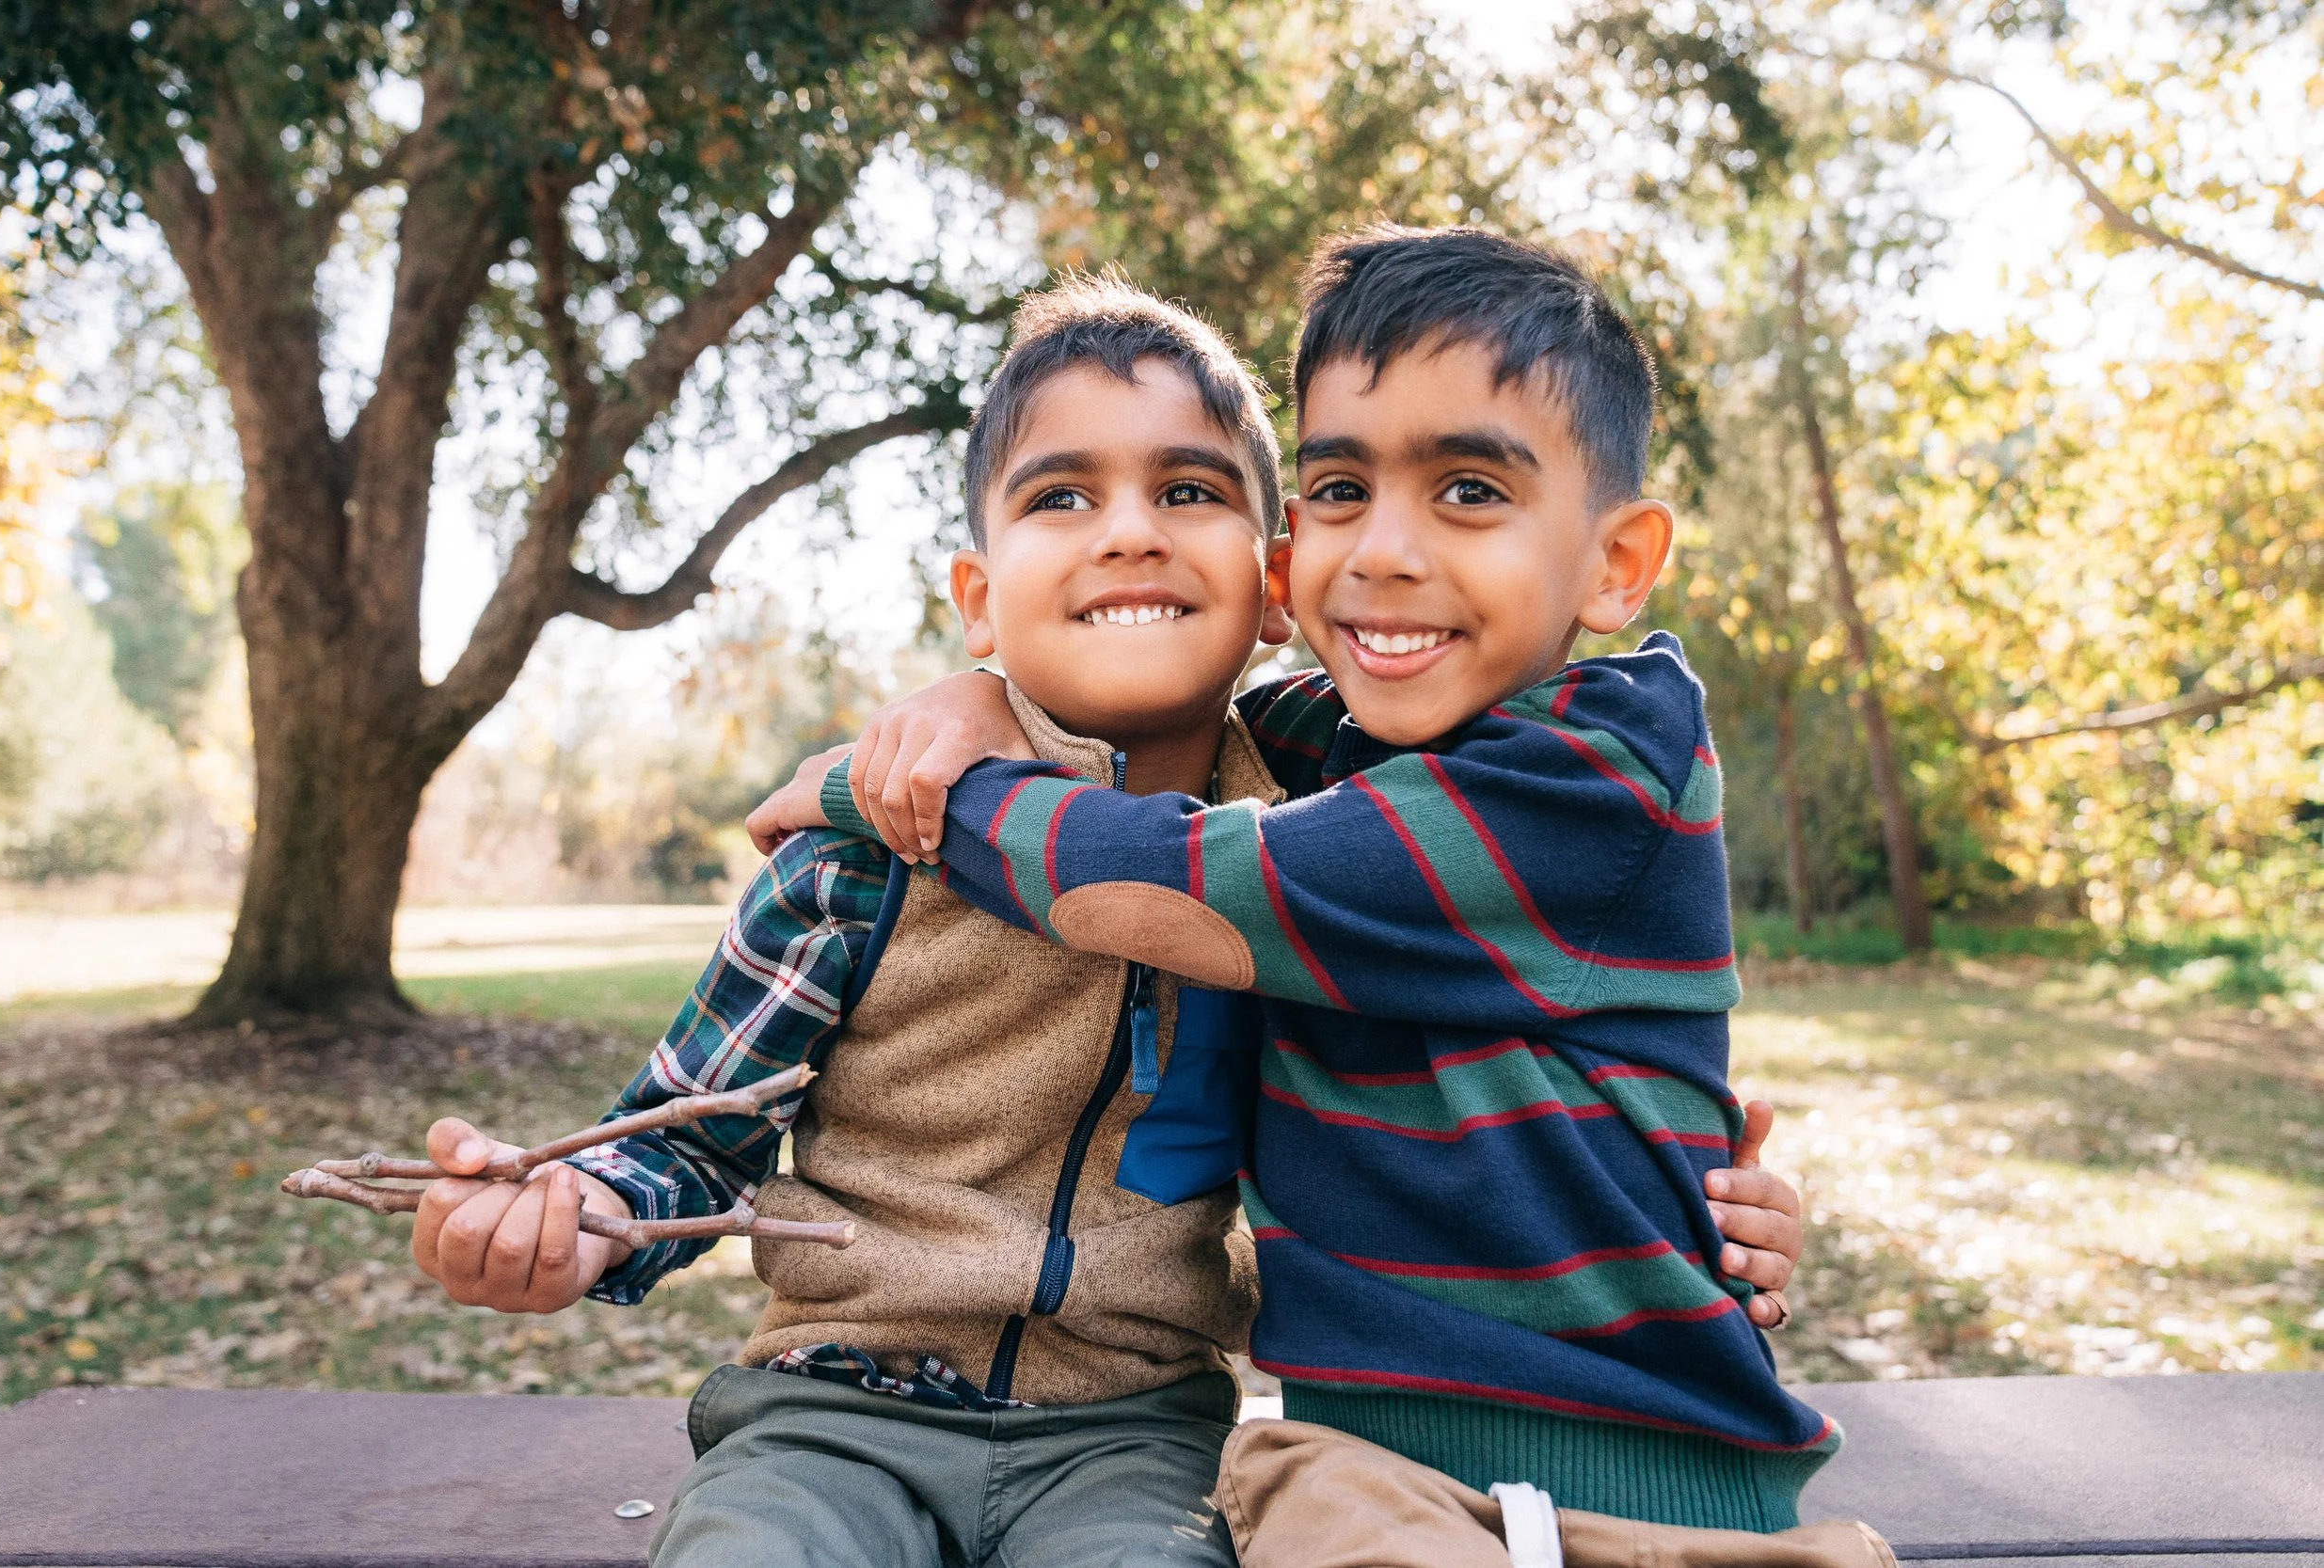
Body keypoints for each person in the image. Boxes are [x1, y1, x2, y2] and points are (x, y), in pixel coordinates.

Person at [747, 228, 1842, 1563]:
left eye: (1471, 490)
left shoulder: (1609, 756)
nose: (1385, 550)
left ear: (1617, 564)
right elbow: (1143, 721)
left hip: (1668, 1484)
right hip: (1364, 1479)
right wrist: (977, 705)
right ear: (1284, 564)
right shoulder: (1321, 749)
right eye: (1338, 486)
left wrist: (930, 792)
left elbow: (1188, 879)